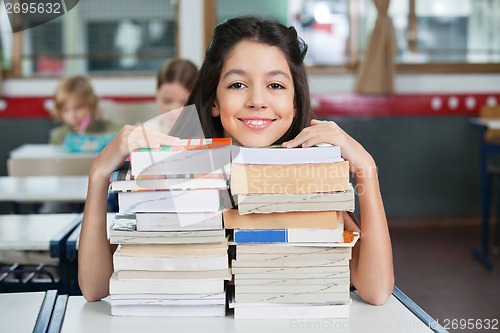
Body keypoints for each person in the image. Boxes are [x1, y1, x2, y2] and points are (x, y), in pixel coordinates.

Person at [78, 16, 394, 305]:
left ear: (295, 103)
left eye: (276, 85)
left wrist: (367, 170)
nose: (257, 100)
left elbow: (376, 290)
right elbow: (95, 288)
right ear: (214, 101)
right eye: (237, 84)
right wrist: (98, 175)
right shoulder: (182, 169)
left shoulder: (309, 172)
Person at [49, 75, 121, 145]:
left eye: (78, 108)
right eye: (65, 110)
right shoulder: (59, 137)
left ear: (91, 105)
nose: (72, 115)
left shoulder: (112, 130)